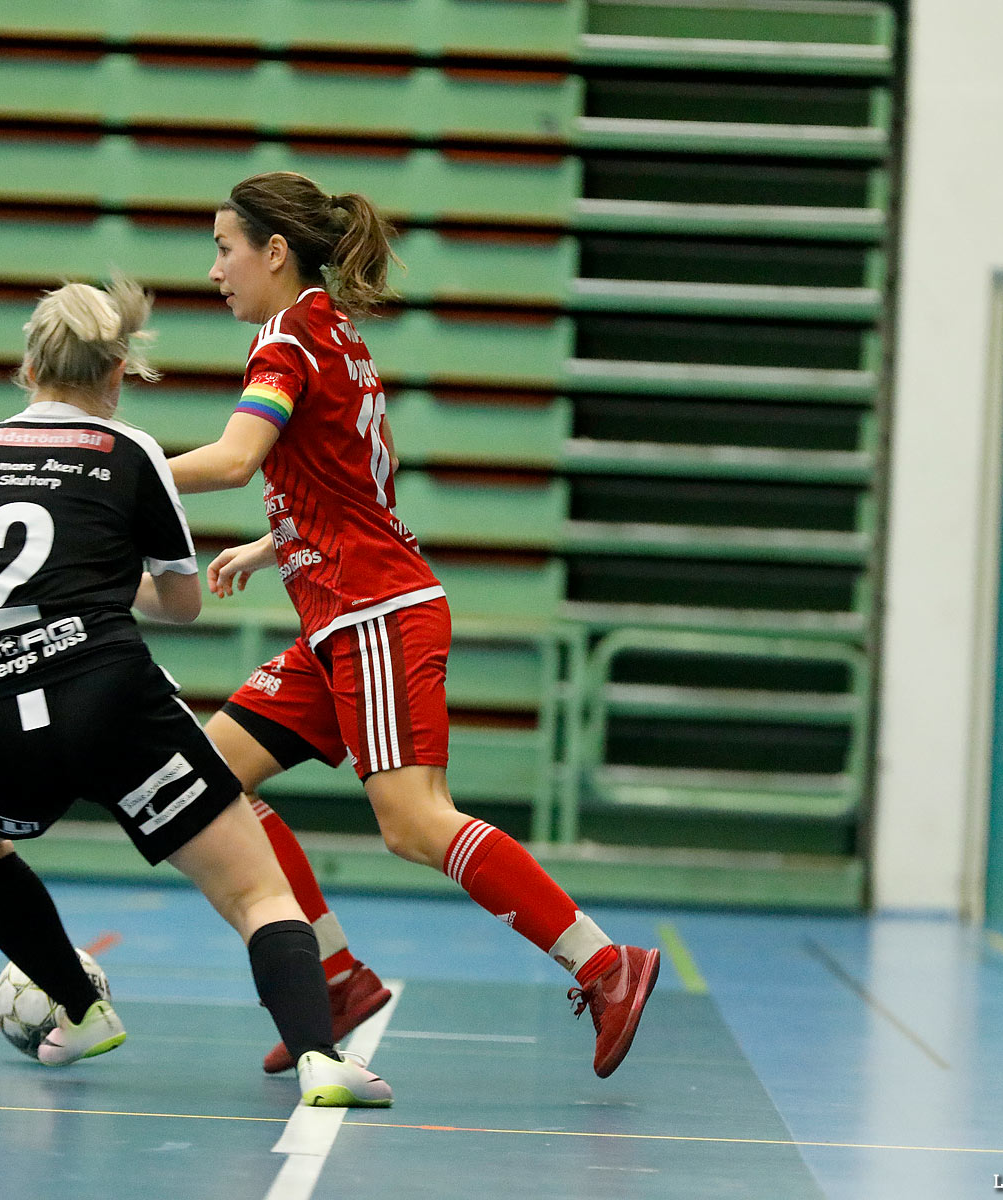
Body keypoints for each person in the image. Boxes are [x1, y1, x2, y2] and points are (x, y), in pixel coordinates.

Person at [0, 278, 390, 1108]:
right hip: (114, 704)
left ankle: (83, 1008)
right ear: (119, 369)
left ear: (27, 365)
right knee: (257, 890)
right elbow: (181, 603)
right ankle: (320, 1058)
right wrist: (94, 580)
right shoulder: (130, 454)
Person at [168, 172, 660, 1080]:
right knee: (204, 781)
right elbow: (346, 485)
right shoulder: (331, 334)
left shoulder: (286, 341)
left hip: (375, 615)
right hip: (340, 615)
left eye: (223, 248)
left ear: (275, 252)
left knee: (413, 821)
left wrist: (124, 473)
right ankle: (338, 975)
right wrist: (272, 546)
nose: (213, 270)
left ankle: (604, 963)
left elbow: (239, 458)